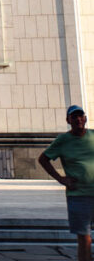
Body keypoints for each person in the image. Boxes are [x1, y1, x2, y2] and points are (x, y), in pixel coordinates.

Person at [39, 105, 94, 261]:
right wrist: (60, 179)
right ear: (68, 120)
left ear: (85, 118)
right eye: (74, 117)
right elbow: (43, 159)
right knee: (84, 238)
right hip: (78, 195)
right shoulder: (63, 140)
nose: (78, 119)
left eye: (80, 116)